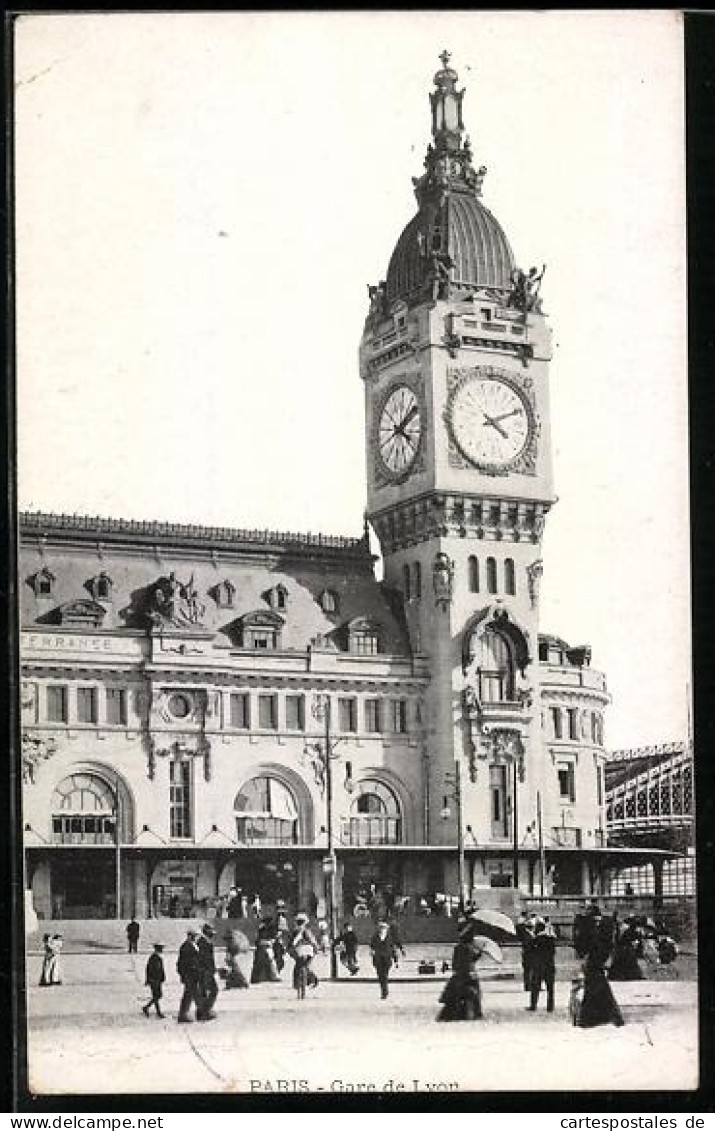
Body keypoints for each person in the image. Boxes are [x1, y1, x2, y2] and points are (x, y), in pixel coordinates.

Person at [576, 907, 625, 1028]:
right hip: (596, 960)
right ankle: (608, 1016)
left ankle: (592, 1018)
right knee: (599, 988)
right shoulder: (605, 925)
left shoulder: (596, 927)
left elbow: (587, 944)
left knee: (596, 988)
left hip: (595, 961)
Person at [436, 920, 485, 1021]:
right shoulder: (465, 947)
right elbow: (467, 961)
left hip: (462, 975)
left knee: (457, 997)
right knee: (469, 995)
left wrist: (478, 954)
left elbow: (461, 962)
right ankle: (469, 1014)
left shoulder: (461, 947)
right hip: (466, 975)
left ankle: (461, 1014)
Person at [527, 919, 556, 1013]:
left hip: (538, 966)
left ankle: (533, 1005)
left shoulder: (535, 940)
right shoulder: (551, 939)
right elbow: (553, 952)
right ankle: (550, 1006)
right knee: (550, 988)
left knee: (535, 987)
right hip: (549, 965)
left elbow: (529, 952)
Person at [290, 913, 319, 999]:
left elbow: (290, 944)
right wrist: (316, 950)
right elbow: (313, 942)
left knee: (297, 968)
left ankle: (296, 984)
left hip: (298, 952)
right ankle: (313, 980)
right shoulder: (307, 931)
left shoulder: (295, 932)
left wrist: (291, 953)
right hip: (309, 951)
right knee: (308, 966)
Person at [608, 916, 645, 981]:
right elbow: (625, 940)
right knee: (625, 962)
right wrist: (634, 942)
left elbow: (636, 940)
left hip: (627, 949)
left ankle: (630, 975)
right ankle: (624, 975)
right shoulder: (629, 931)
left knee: (629, 962)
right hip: (625, 949)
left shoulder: (633, 931)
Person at [176, 928, 201, 1023]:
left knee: (190, 994)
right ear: (190, 936)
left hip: (193, 974)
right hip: (189, 975)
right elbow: (182, 963)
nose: (196, 938)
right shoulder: (186, 946)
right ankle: (184, 1015)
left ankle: (183, 1014)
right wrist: (183, 975)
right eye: (195, 936)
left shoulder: (193, 945)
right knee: (191, 994)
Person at [370, 920, 399, 1000]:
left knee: (385, 976)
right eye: (381, 928)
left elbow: (393, 949)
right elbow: (372, 948)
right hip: (378, 959)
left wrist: (396, 961)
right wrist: (372, 954)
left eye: (384, 928)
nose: (382, 929)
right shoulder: (375, 937)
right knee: (380, 976)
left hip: (387, 959)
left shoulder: (390, 938)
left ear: (386, 929)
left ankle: (384, 992)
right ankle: (384, 990)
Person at [196, 923, 219, 1020]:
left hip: (206, 971)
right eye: (211, 932)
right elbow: (205, 959)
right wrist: (211, 969)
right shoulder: (203, 942)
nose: (213, 934)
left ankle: (202, 1012)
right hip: (205, 971)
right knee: (212, 990)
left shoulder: (204, 942)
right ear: (206, 931)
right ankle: (205, 1012)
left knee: (204, 992)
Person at [250, 916, 281, 984]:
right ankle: (273, 976)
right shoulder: (268, 928)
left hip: (264, 946)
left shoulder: (263, 929)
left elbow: (258, 939)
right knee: (270, 961)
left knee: (261, 962)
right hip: (265, 946)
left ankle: (257, 978)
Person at [142, 943, 165, 1017]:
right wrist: (148, 979)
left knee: (157, 996)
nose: (162, 950)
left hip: (157, 980)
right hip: (154, 980)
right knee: (157, 996)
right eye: (161, 948)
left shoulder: (157, 957)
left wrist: (162, 977)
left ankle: (148, 1008)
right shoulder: (153, 958)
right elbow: (149, 969)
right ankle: (156, 1011)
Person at [515, 911, 536, 992]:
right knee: (528, 971)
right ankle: (528, 986)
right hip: (528, 955)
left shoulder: (529, 935)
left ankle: (529, 985)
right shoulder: (528, 935)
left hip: (528, 955)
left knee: (529, 971)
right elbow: (527, 945)